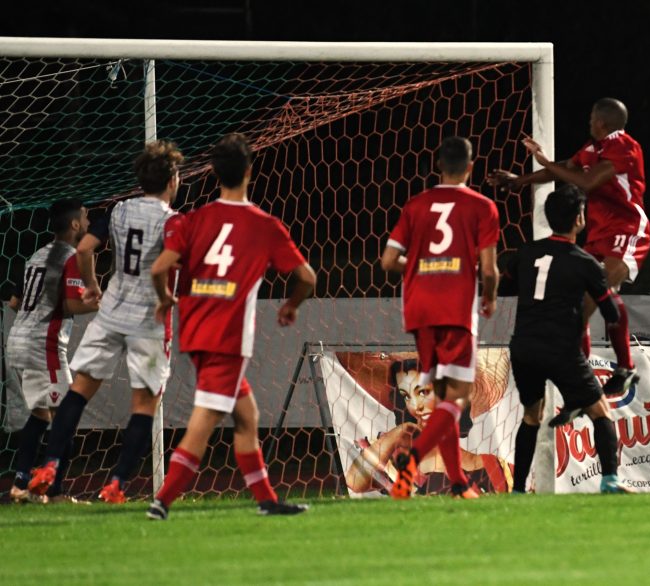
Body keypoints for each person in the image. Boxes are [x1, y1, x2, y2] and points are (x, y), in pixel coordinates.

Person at [144, 133, 316, 519]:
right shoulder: (264, 225)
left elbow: (159, 268)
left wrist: (165, 298)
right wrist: (290, 306)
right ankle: (162, 500)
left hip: (195, 330)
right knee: (204, 418)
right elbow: (307, 277)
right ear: (250, 172)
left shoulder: (193, 219)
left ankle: (267, 501)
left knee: (246, 416)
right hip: (228, 335)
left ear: (214, 173)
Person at [27, 141, 183, 505]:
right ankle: (116, 484)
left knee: (79, 391)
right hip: (149, 321)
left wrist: (93, 285)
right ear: (173, 180)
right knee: (144, 404)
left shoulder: (118, 210)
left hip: (112, 312)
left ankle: (49, 465)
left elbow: (84, 249)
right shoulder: (174, 221)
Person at [488, 98, 647, 395]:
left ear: (602, 122)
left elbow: (585, 183)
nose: (588, 122)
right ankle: (619, 369)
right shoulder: (593, 148)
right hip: (599, 233)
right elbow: (566, 168)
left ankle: (583, 371)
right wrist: (521, 180)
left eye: (591, 118)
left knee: (587, 303)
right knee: (589, 298)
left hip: (626, 230)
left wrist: (545, 161)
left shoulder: (624, 146)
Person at [380, 136, 500, 499]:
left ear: (437, 166)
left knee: (443, 401)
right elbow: (490, 270)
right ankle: (413, 463)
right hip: (455, 311)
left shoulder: (416, 205)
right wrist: (490, 299)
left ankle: (459, 483)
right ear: (470, 167)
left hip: (419, 311)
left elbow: (388, 261)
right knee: (456, 401)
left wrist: (419, 268)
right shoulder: (482, 207)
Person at [500, 185, 631, 494]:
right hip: (560, 349)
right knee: (600, 409)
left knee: (531, 416)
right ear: (580, 219)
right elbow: (611, 313)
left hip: (524, 347)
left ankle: (518, 491)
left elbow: (506, 288)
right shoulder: (585, 262)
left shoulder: (526, 252)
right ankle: (610, 481)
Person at [8, 199, 98, 503]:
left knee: (41, 415)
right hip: (42, 346)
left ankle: (21, 485)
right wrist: (102, 303)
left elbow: (14, 302)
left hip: (19, 340)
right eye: (85, 217)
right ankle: (55, 492)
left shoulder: (37, 255)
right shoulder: (70, 257)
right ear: (75, 224)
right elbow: (72, 304)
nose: (87, 222)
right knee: (66, 418)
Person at [344, 358, 512, 495]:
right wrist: (399, 433)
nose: (415, 406)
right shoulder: (393, 460)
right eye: (406, 396)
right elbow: (354, 482)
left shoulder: (497, 469)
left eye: (423, 392)